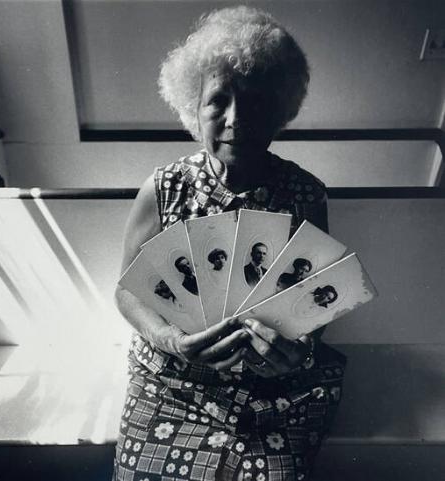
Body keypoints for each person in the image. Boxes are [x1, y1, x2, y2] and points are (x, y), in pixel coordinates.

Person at [114, 6, 346, 481]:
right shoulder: (163, 187)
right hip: (172, 384)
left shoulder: (305, 194)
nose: (236, 118)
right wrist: (171, 341)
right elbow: (126, 289)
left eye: (256, 102)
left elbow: (315, 301)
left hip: (273, 394)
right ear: (193, 111)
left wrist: (296, 349)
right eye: (218, 100)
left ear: (280, 111)